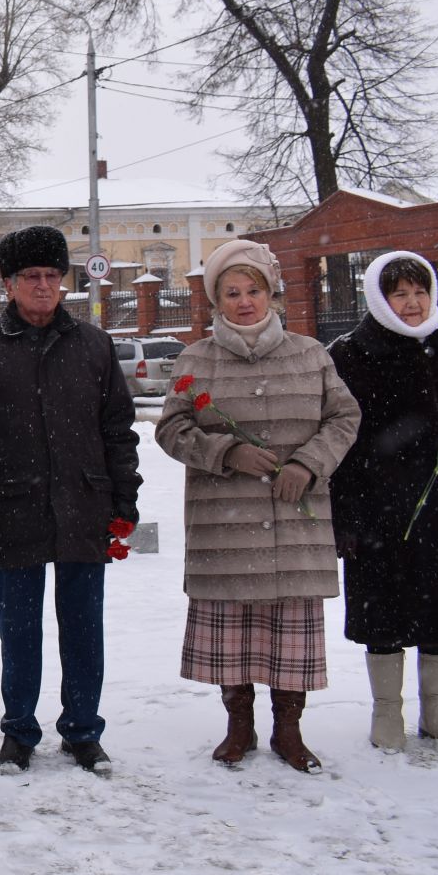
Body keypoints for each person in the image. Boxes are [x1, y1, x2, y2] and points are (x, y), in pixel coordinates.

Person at [155, 241, 360, 772]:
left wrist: (308, 464)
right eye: (232, 293)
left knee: (291, 633)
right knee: (232, 632)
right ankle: (238, 726)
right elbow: (171, 428)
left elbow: (344, 419)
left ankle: (289, 731)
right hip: (224, 524)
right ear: (216, 301)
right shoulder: (194, 359)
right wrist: (225, 452)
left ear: (271, 294)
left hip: (295, 520)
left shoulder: (311, 354)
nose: (244, 301)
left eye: (253, 290)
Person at [0, 226, 141, 774]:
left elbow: (118, 432)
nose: (43, 286)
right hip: (13, 511)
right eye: (31, 277)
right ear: (9, 283)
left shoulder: (94, 346)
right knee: (19, 632)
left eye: (52, 276)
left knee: (84, 628)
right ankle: (19, 732)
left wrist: (123, 501)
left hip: (84, 506)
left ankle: (82, 729)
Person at [329, 251, 438, 754]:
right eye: (399, 293)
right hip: (379, 506)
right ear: (379, 298)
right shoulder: (352, 354)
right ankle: (387, 712)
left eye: (419, 291)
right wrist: (347, 517)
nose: (411, 303)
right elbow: (342, 439)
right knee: (383, 608)